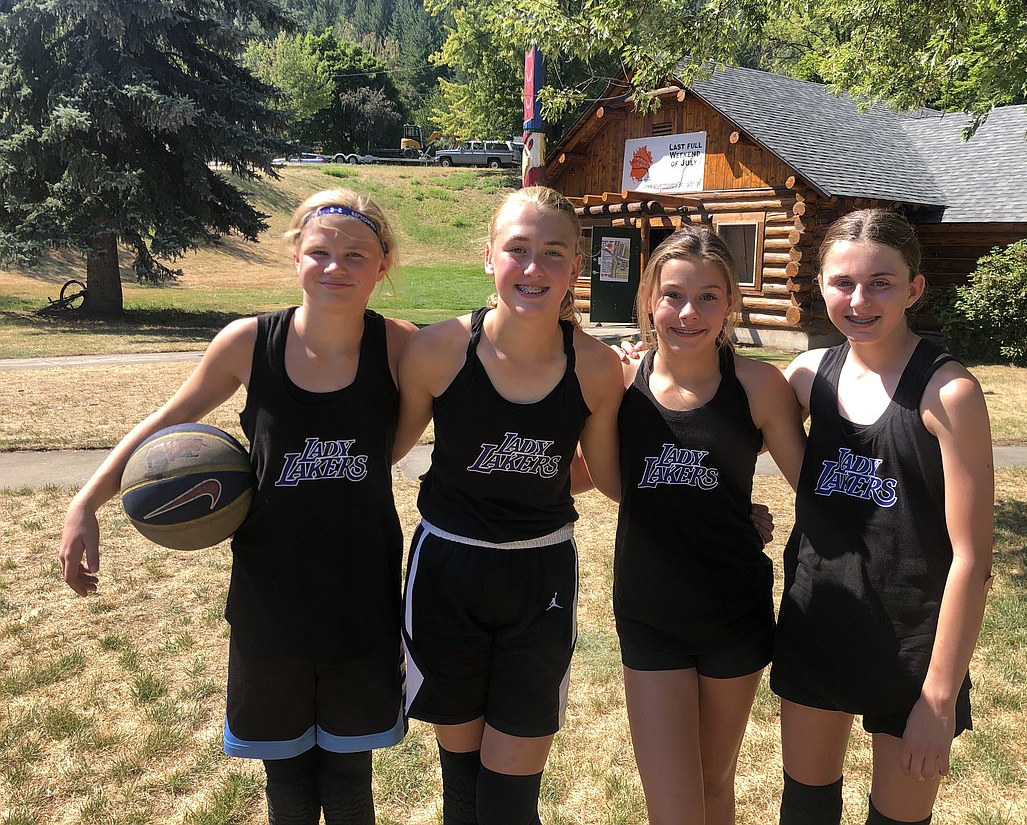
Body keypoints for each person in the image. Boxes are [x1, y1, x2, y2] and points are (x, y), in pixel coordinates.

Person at [59, 189, 415, 825]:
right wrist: (87, 501)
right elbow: (166, 424)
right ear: (295, 258)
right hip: (268, 595)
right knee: (287, 780)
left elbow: (489, 360)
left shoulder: (401, 348)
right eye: (320, 252)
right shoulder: (249, 342)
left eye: (355, 254)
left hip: (362, 591)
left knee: (350, 776)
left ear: (382, 264)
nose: (335, 266)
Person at [391, 185, 623, 825]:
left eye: (553, 253)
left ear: (576, 267)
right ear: (489, 256)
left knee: (512, 788)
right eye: (517, 249)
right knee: (461, 776)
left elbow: (604, 479)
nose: (533, 268)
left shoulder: (598, 369)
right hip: (446, 573)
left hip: (539, 577)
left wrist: (715, 509)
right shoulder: (437, 350)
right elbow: (377, 452)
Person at [771, 208, 994, 825]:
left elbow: (972, 561)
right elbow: (713, 434)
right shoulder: (807, 375)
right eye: (843, 282)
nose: (859, 299)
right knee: (806, 809)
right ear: (820, 284)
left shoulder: (948, 393)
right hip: (819, 618)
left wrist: (938, 699)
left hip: (911, 643)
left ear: (915, 288)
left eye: (881, 283)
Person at [587, 224, 805, 825]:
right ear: (649, 300)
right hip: (650, 610)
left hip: (733, 610)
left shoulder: (759, 386)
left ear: (731, 302)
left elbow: (816, 486)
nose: (689, 312)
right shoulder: (619, 385)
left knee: (715, 785)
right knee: (673, 804)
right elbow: (605, 481)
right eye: (673, 294)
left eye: (709, 296)